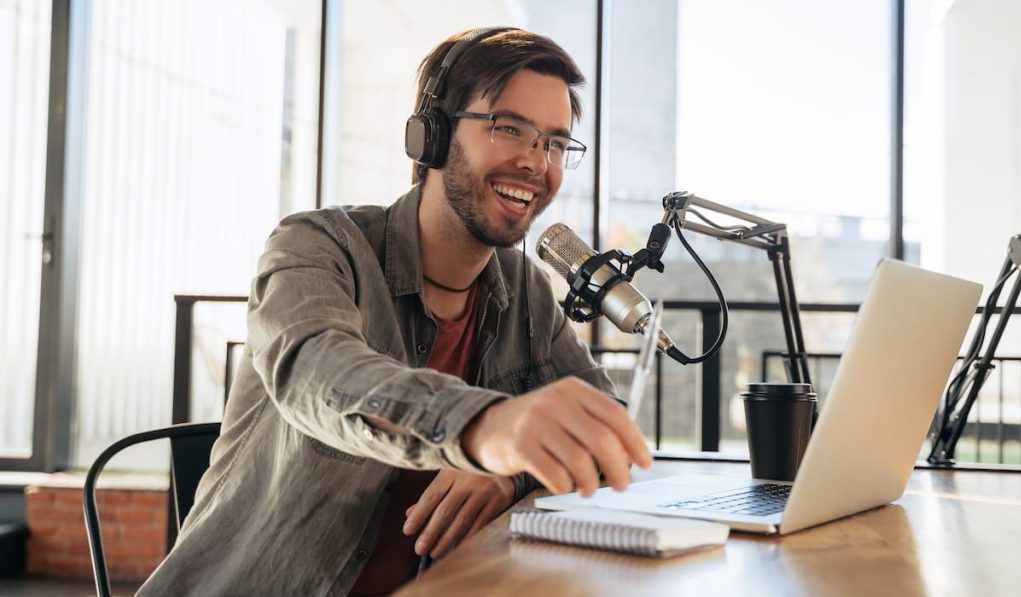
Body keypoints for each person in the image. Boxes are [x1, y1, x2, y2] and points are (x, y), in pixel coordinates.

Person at [139, 27, 651, 596]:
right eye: (509, 128)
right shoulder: (315, 246)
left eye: (555, 143)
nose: (537, 162)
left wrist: (511, 474)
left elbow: (608, 421)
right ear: (430, 136)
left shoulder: (523, 289)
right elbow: (320, 373)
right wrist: (483, 429)